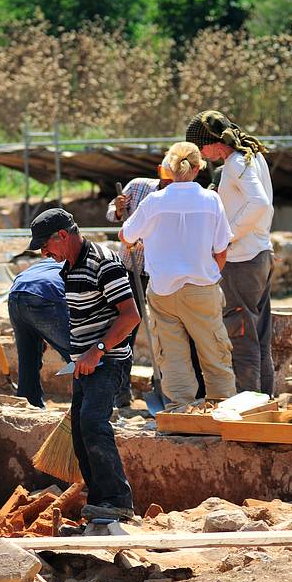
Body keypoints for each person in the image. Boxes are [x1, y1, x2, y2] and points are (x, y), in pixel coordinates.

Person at [30, 208, 140, 522]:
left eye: (46, 245)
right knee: (80, 431)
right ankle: (100, 500)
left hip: (108, 360)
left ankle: (118, 500)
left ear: (62, 235)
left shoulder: (103, 262)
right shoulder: (70, 267)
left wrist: (98, 350)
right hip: (85, 363)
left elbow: (130, 316)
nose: (44, 253)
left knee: (93, 423)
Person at [120, 143, 237, 406]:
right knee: (214, 353)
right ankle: (224, 411)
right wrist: (207, 274)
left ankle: (180, 414)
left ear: (169, 170)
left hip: (162, 291)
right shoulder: (211, 200)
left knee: (172, 358)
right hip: (201, 289)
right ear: (198, 168)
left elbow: (125, 235)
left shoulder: (154, 201)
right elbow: (221, 250)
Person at [185, 110, 276, 394]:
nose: (201, 154)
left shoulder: (237, 163)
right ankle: (265, 399)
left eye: (201, 147)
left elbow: (260, 204)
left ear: (212, 142)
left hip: (242, 260)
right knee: (260, 338)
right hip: (260, 254)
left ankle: (248, 405)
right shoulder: (252, 157)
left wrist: (226, 237)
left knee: (242, 337)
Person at [108, 168, 205, 410]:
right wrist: (119, 208)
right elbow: (113, 213)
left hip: (162, 273)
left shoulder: (183, 196)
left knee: (166, 330)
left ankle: (164, 384)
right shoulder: (138, 186)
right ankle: (120, 390)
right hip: (131, 268)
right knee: (125, 329)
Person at [7, 258, 71, 408]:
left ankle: (30, 404)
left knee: (28, 356)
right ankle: (91, 409)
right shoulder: (83, 264)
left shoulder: (51, 261)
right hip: (45, 295)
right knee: (81, 356)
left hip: (16, 294)